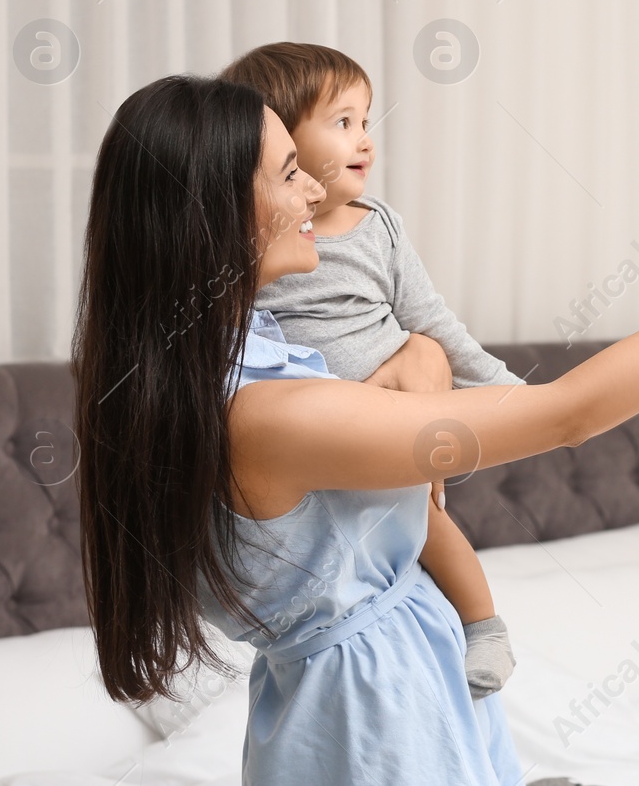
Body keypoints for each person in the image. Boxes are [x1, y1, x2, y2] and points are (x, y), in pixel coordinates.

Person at [72, 73, 639, 785]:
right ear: (219, 213)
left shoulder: (227, 369)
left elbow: (399, 368)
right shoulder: (268, 415)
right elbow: (568, 412)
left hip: (374, 700)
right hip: (377, 722)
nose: (316, 193)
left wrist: (425, 355)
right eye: (290, 173)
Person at [220, 41, 518, 700]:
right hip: (328, 442)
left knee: (430, 520)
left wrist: (508, 394)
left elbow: (435, 326)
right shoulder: (253, 251)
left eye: (367, 121)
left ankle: (483, 622)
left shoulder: (377, 227)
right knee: (396, 528)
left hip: (397, 423)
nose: (365, 141)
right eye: (343, 122)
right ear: (275, 142)